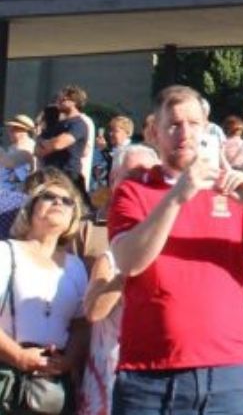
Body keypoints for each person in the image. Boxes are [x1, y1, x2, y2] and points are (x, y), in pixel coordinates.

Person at [108, 85, 243, 415]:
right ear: (153, 131)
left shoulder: (230, 189)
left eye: (194, 124)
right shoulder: (134, 190)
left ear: (208, 127)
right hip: (150, 377)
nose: (185, 133)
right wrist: (177, 196)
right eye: (174, 124)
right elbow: (129, 262)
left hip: (227, 373)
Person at [0, 169, 90, 408]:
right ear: (30, 210)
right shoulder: (5, 252)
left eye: (68, 201)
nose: (59, 202)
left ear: (73, 217)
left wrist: (69, 359)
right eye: (49, 197)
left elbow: (81, 325)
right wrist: (18, 356)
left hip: (53, 389)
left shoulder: (76, 266)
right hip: (7, 381)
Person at [79, 145, 159, 415]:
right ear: (114, 181)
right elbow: (93, 311)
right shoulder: (109, 255)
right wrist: (130, 267)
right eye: (132, 175)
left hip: (160, 378)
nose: (140, 182)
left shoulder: (173, 243)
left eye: (148, 175)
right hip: (112, 381)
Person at [35, 86, 90, 191]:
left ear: (74, 102)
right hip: (49, 174)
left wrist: (46, 144)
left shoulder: (78, 124)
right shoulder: (56, 125)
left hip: (68, 176)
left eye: (63, 99)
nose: (58, 102)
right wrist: (46, 143)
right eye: (58, 99)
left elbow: (58, 144)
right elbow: (37, 151)